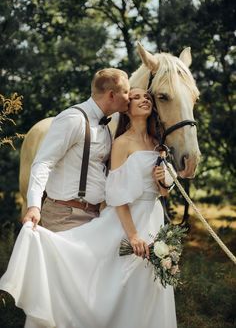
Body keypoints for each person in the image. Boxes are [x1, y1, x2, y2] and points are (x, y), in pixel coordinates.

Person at [0, 88, 177, 328]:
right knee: (116, 284)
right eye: (135, 97)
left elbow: (163, 192)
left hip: (154, 218)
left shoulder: (159, 144)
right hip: (129, 221)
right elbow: (115, 196)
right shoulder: (121, 143)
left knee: (147, 283)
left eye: (147, 97)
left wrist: (163, 180)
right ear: (127, 108)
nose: (144, 99)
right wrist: (133, 235)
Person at [23, 68, 130, 232]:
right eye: (126, 92)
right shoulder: (73, 119)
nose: (128, 98)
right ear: (111, 95)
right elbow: (44, 162)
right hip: (65, 215)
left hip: (94, 215)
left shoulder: (106, 127)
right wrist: (34, 206)